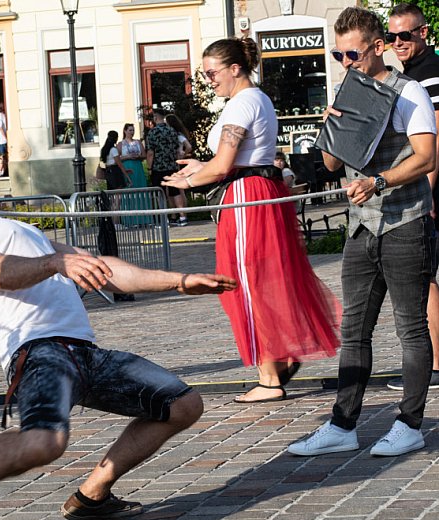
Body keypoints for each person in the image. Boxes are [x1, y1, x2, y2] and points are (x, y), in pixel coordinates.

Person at [0, 162, 237, 520]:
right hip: (38, 352)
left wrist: (180, 281)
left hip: (84, 351)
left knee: (182, 405)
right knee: (44, 442)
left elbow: (101, 268)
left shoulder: (7, 227)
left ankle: (92, 496)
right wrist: (55, 261)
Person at [288, 6, 436, 457]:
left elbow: (428, 158)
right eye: (337, 54)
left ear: (378, 46)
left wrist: (380, 181)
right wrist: (333, 125)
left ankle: (409, 424)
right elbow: (332, 164)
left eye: (352, 53)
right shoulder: (348, 90)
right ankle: (342, 424)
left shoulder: (409, 92)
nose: (345, 62)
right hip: (361, 227)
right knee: (354, 329)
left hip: (405, 222)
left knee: (411, 328)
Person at [163, 36, 341, 404]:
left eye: (212, 73)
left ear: (234, 68)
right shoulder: (252, 100)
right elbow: (236, 160)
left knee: (246, 282)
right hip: (256, 192)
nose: (209, 79)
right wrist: (201, 168)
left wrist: (190, 179)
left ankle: (269, 376)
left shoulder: (242, 104)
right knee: (262, 278)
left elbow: (225, 165)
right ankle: (279, 358)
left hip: (247, 197)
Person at [386, 2, 439, 392]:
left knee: (426, 279)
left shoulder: (431, 75)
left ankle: (436, 364)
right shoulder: (409, 76)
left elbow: (435, 141)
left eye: (406, 34)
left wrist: (429, 196)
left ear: (424, 33)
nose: (398, 42)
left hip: (431, 191)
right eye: (392, 36)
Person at [146, 108, 187, 226]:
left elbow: (150, 152)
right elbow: (177, 149)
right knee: (175, 191)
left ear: (155, 117)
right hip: (172, 165)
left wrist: (149, 168)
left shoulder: (153, 132)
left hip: (158, 167)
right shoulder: (172, 131)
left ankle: (164, 219)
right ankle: (182, 217)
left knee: (160, 193)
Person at [118, 123, 151, 227]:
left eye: (133, 130)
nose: (131, 132)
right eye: (130, 130)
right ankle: (130, 220)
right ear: (125, 131)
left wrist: (138, 156)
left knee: (141, 192)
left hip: (138, 167)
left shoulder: (137, 142)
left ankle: (144, 219)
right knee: (129, 193)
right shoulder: (121, 144)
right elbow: (117, 158)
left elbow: (144, 155)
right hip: (127, 167)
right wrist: (127, 156)